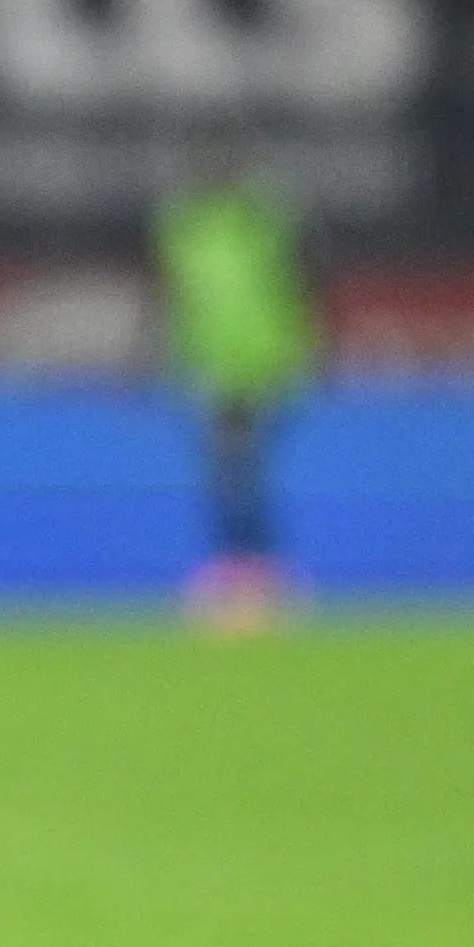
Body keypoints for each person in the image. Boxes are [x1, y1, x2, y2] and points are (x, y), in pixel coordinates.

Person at [153, 159, 315, 632]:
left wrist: (303, 349)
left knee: (242, 471)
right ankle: (244, 572)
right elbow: (172, 294)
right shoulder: (185, 226)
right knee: (230, 472)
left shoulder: (267, 222)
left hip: (263, 361)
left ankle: (254, 574)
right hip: (211, 364)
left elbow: (303, 285)